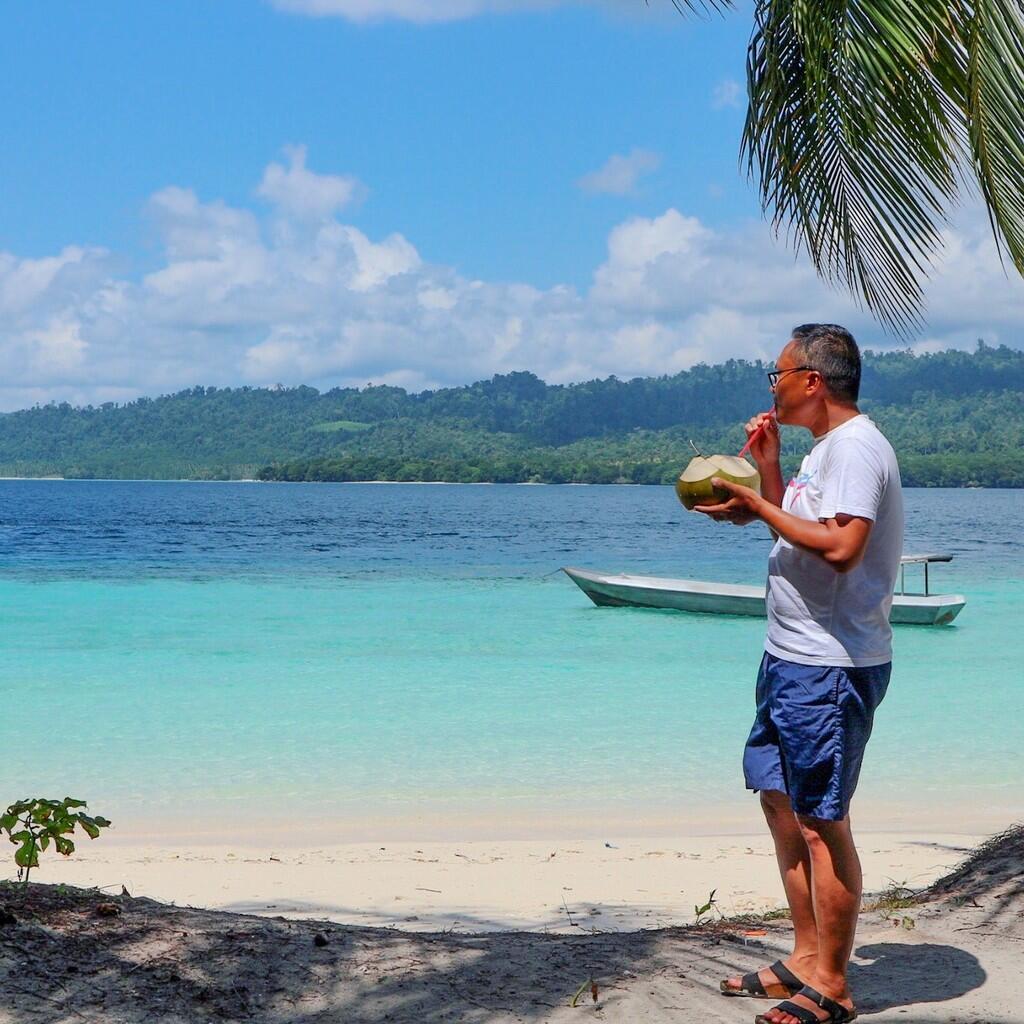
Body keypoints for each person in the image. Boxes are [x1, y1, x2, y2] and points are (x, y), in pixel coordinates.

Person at [693, 324, 904, 1024]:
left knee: (821, 822)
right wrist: (769, 475)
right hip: (790, 655)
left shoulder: (856, 448)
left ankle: (835, 987)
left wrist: (756, 505)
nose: (772, 384)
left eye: (776, 373)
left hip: (830, 664)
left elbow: (843, 548)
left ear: (812, 380)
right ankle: (806, 959)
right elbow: (803, 524)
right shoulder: (824, 452)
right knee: (781, 805)